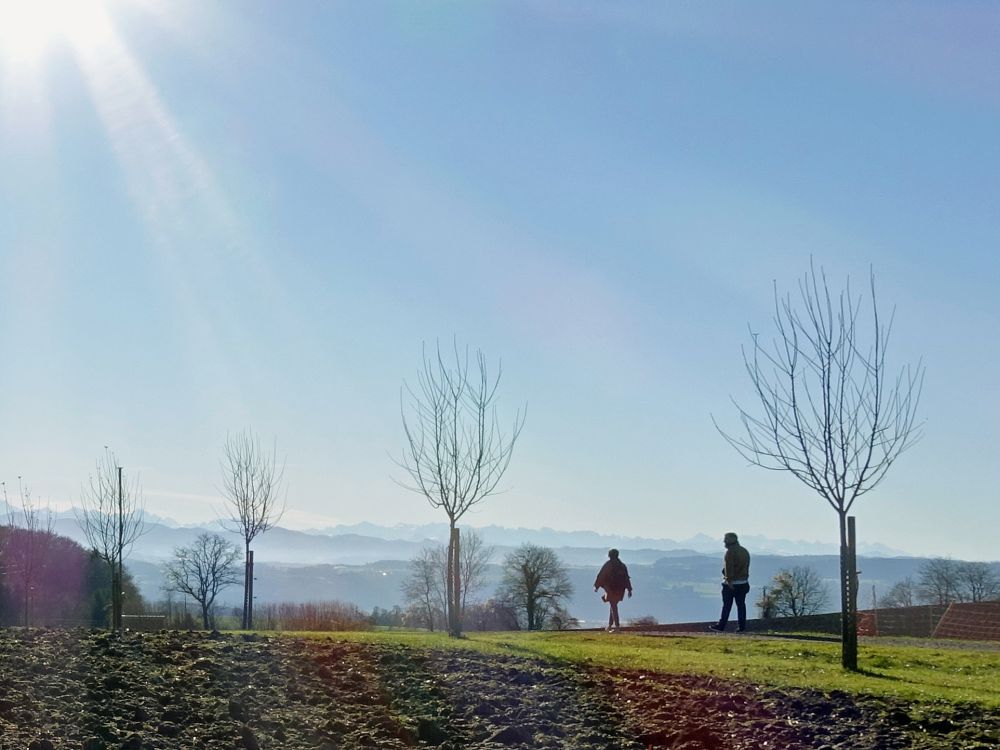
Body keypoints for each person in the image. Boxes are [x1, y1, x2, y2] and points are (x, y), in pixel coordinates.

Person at [709, 532, 750, 633]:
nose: (724, 541)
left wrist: (729, 581)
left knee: (727, 606)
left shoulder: (730, 552)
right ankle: (742, 627)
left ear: (731, 540)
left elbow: (729, 568)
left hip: (731, 584)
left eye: (726, 539)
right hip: (744, 582)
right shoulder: (744, 551)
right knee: (741, 605)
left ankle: (721, 625)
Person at [594, 548, 632, 632]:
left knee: (613, 606)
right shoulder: (622, 565)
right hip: (621, 589)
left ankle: (617, 627)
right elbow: (627, 578)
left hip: (611, 589)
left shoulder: (608, 564)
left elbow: (601, 575)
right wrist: (629, 589)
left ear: (609, 555)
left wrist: (596, 586)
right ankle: (610, 626)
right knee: (613, 605)